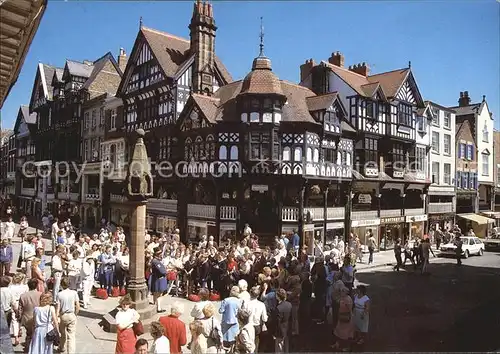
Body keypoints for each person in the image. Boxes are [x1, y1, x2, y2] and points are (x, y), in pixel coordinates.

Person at [56, 277, 80, 354]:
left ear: (61, 285)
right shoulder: (74, 293)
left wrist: (56, 317)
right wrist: (75, 314)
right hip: (71, 314)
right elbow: (77, 306)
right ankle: (71, 352)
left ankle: (62, 347)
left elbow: (58, 308)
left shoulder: (59, 294)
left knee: (62, 333)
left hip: (63, 315)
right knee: (71, 336)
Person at [18, 278, 42, 346]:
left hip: (26, 318)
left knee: (29, 333)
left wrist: (19, 319)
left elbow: (20, 309)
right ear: (37, 285)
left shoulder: (23, 296)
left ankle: (28, 346)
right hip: (38, 317)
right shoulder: (40, 294)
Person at [245, 286, 268, 352]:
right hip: (257, 326)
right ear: (258, 295)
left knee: (248, 344)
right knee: (256, 343)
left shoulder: (246, 303)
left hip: (248, 325)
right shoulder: (261, 304)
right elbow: (264, 318)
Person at [9, 272, 28, 346]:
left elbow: (11, 297)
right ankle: (19, 330)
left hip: (14, 302)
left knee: (14, 320)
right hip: (22, 303)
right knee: (20, 318)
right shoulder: (25, 287)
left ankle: (16, 336)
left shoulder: (11, 287)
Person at [332, 286, 354, 351]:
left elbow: (350, 309)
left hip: (346, 317)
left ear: (346, 292)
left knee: (346, 334)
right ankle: (337, 344)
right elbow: (336, 300)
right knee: (338, 331)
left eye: (342, 291)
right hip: (341, 316)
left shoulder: (348, 299)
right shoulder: (342, 298)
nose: (341, 292)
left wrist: (351, 316)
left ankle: (347, 347)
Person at [273, 288, 292, 354]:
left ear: (278, 297)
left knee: (279, 348)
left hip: (280, 330)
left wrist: (274, 333)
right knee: (286, 346)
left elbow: (277, 322)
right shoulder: (289, 304)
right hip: (287, 327)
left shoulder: (278, 308)